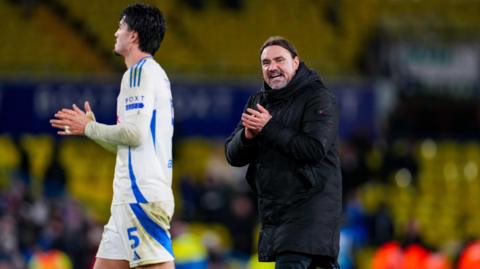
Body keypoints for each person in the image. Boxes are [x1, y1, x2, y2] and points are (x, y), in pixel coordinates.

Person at [50, 3, 175, 269]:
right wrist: (93, 131)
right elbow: (128, 145)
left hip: (139, 197)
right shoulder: (153, 74)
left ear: (133, 35)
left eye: (120, 26)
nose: (115, 32)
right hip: (127, 199)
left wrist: (89, 127)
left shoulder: (138, 74)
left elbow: (134, 134)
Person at [225, 36, 342, 269]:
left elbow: (314, 149)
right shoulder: (259, 101)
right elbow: (232, 155)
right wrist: (247, 137)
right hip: (277, 216)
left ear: (296, 63)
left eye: (280, 60)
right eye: (266, 63)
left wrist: (268, 128)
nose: (272, 67)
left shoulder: (318, 97)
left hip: (308, 214)